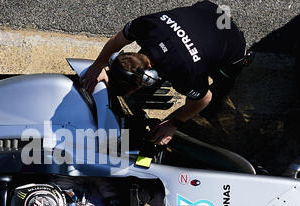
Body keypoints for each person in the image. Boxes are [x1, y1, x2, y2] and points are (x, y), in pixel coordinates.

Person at [81, 0, 253, 146]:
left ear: (149, 78)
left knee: (218, 90)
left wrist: (174, 123)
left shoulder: (184, 72)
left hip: (232, 42)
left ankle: (218, 100)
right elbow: (117, 40)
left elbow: (204, 98)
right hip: (209, 9)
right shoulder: (147, 26)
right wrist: (98, 66)